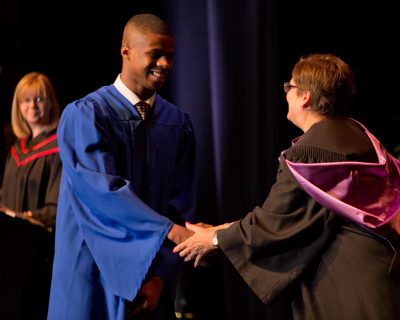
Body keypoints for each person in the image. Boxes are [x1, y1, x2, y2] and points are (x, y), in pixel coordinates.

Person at [174, 53, 400, 320]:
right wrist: (220, 230)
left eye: (289, 87)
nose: (285, 94)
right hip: (379, 276)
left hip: (346, 285)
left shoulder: (310, 153)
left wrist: (214, 239)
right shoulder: (361, 137)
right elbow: (302, 216)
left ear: (305, 96)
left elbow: (275, 222)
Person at [47, 13, 196, 320]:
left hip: (151, 287)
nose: (165, 64)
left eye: (169, 56)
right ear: (126, 50)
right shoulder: (86, 115)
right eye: (155, 54)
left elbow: (180, 207)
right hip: (91, 275)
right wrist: (169, 230)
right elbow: (104, 192)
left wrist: (160, 279)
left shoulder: (177, 124)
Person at [0, 72, 61, 319]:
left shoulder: (59, 148)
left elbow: (57, 207)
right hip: (11, 252)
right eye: (26, 101)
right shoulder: (17, 149)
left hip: (40, 252)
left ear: (50, 104)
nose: (32, 106)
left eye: (39, 99)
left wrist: (21, 217)